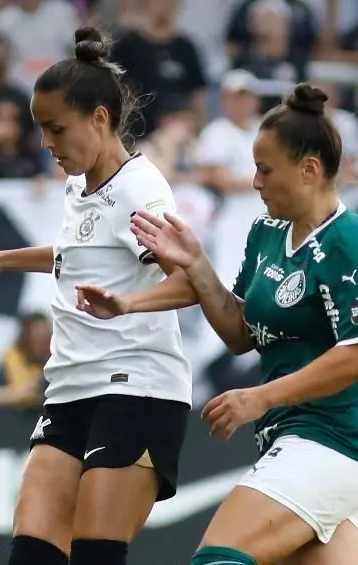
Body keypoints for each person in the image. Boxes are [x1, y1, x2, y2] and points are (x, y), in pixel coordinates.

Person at [0, 27, 192, 565]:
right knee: (33, 553)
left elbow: (190, 281)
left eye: (55, 129)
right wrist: (0, 261)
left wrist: (128, 305)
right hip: (70, 386)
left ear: (99, 118)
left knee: (93, 553)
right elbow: (82, 252)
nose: (46, 144)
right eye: (40, 130)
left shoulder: (141, 189)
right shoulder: (79, 183)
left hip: (136, 386)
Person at [78, 83, 358, 565]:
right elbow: (239, 334)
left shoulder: (347, 243)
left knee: (218, 556)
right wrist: (197, 266)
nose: (255, 182)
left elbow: (354, 354)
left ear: (309, 170)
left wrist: (259, 397)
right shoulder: (266, 231)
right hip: (290, 438)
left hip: (332, 439)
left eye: (265, 170)